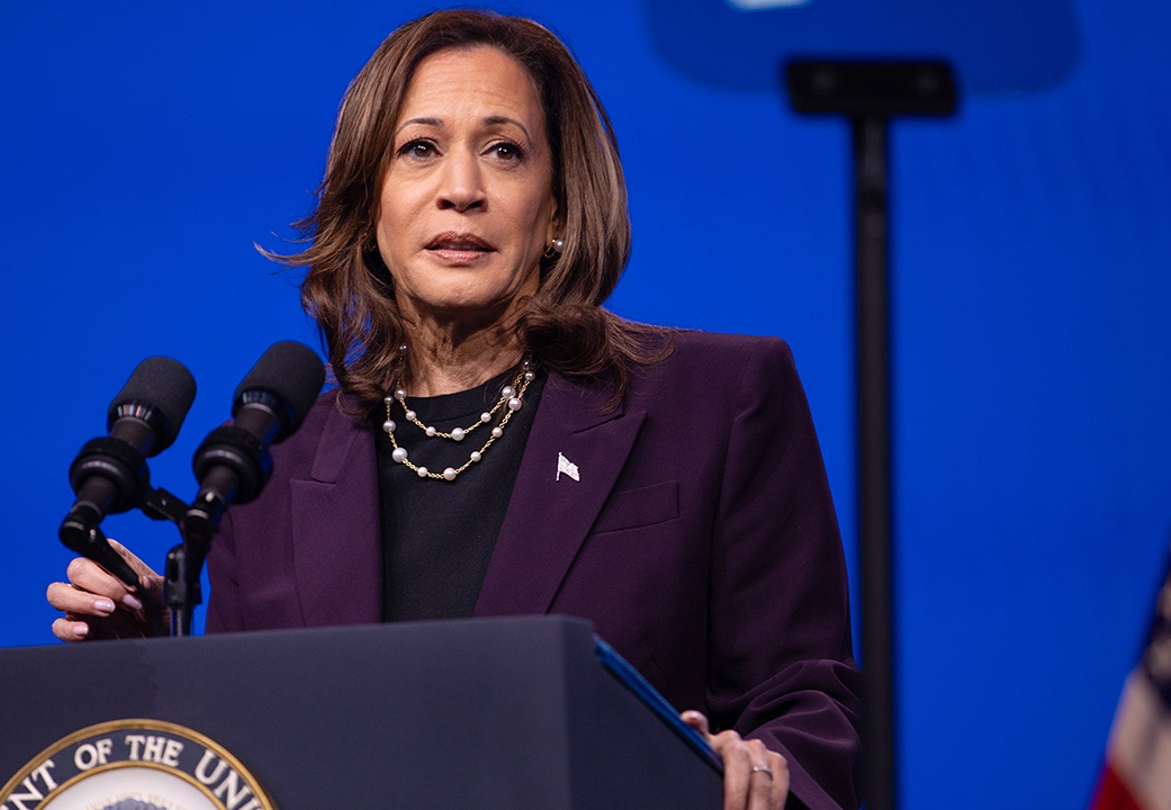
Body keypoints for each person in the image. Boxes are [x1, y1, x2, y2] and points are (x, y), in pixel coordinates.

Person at [47, 10, 861, 810]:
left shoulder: (715, 399)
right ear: (370, 210)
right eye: (420, 150)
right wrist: (159, 670)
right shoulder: (268, 471)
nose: (460, 191)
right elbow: (252, 768)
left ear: (560, 211)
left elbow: (814, 706)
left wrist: (750, 774)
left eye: (504, 152)